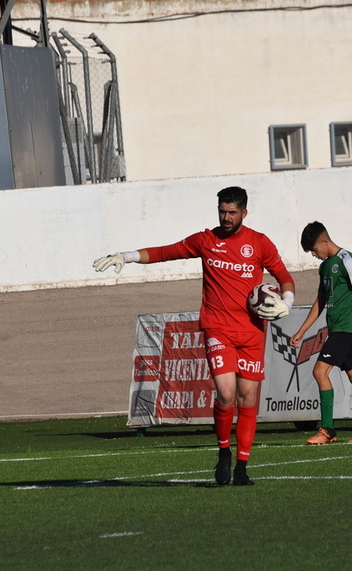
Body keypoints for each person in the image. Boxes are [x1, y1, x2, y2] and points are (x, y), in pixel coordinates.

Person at [93, 186, 294, 486]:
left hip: (252, 332)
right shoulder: (206, 240)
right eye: (222, 211)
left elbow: (285, 277)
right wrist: (128, 255)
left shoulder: (260, 243)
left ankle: (242, 467)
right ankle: (224, 452)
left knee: (248, 397)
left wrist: (286, 304)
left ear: (244, 213)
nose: (226, 217)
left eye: (232, 212)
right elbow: (166, 252)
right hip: (217, 328)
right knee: (226, 394)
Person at [290, 221, 352, 444]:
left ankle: (327, 431)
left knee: (320, 372)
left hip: (346, 327)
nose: (314, 254)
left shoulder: (346, 260)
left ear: (324, 241)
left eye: (314, 249)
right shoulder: (324, 267)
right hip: (337, 328)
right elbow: (320, 301)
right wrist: (302, 331)